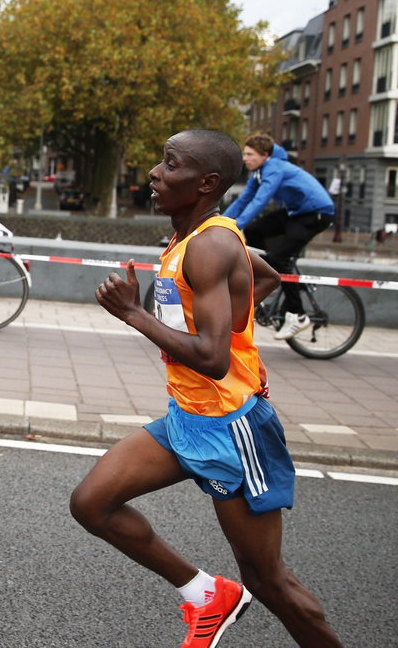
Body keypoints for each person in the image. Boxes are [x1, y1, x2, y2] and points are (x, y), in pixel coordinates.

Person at [72, 129, 342, 648]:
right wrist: (235, 316)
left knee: (269, 582)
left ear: (206, 183)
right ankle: (207, 595)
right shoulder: (192, 238)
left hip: (233, 427)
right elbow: (263, 276)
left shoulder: (211, 244)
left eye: (170, 165)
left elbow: (215, 360)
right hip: (187, 419)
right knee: (92, 503)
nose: (154, 173)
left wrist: (133, 314)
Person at [223, 132, 335, 340]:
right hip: (296, 212)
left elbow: (260, 201)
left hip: (317, 214)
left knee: (280, 259)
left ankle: (298, 315)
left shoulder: (274, 168)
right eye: (244, 154)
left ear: (264, 155)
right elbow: (243, 200)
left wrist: (237, 227)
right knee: (256, 231)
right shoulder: (258, 172)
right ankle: (268, 275)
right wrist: (219, 222)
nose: (245, 158)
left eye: (249, 154)